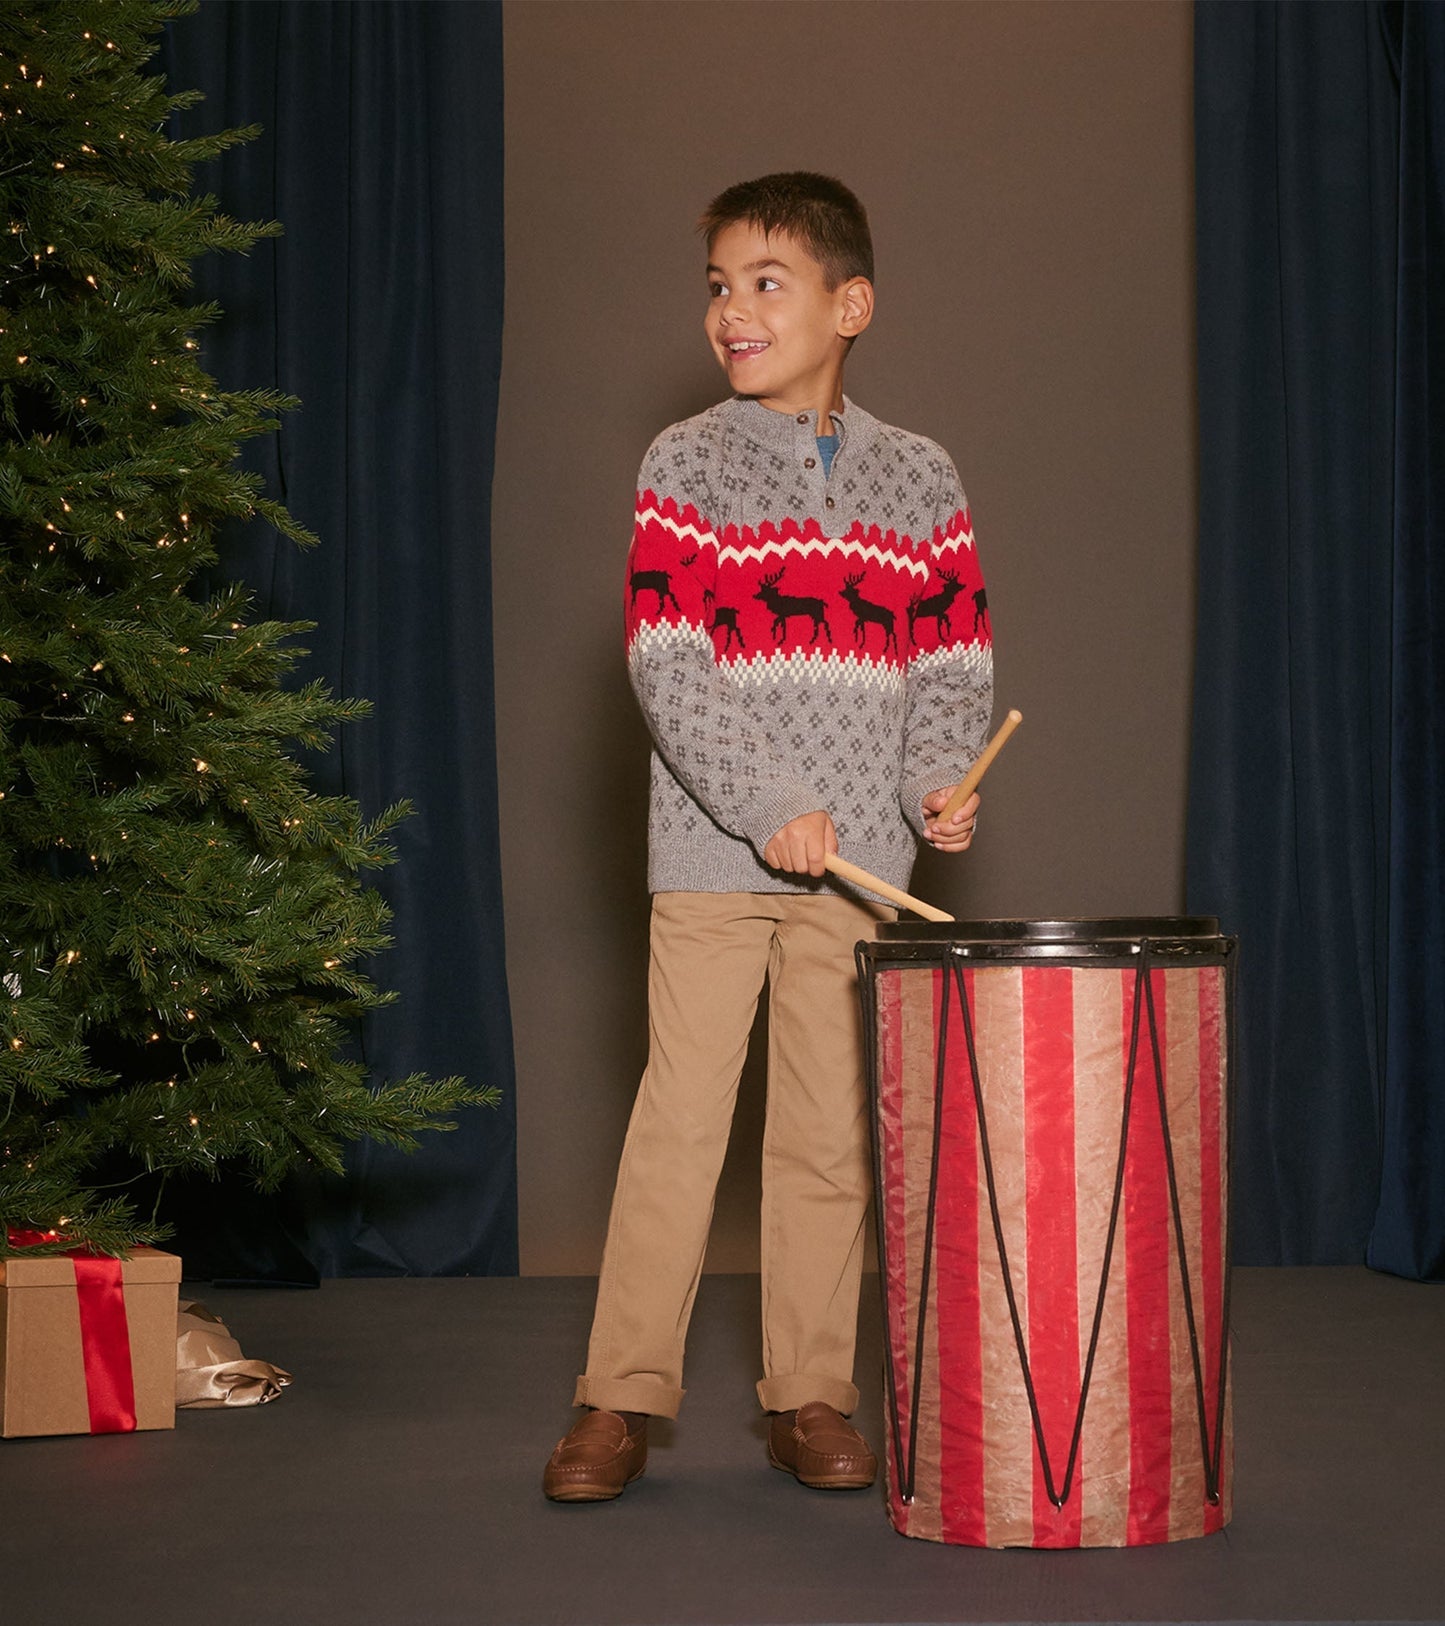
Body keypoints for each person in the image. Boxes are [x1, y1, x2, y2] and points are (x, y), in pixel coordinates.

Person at [543, 172, 992, 1503]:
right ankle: (618, 1395)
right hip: (712, 851)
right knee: (679, 1116)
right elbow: (665, 657)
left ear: (849, 304)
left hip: (861, 869)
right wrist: (763, 804)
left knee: (825, 1130)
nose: (733, 311)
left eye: (766, 282)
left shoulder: (923, 479)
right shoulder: (683, 461)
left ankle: (811, 1391)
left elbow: (951, 668)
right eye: (718, 285)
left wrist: (936, 791)